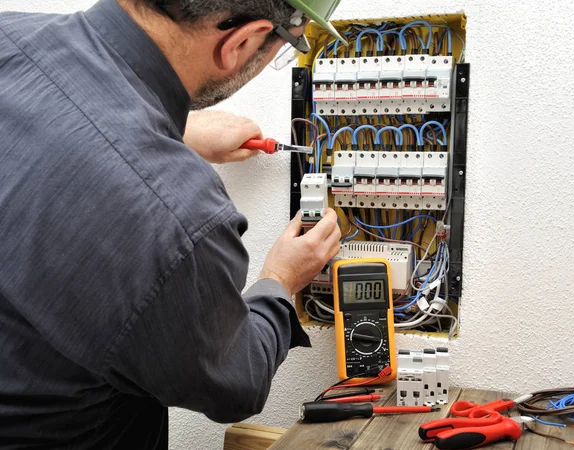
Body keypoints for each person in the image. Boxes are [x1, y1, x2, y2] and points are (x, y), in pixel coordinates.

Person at [0, 0, 345, 447]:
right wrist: (279, 280)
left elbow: (65, 120)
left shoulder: (10, 35)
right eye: (282, 50)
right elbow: (235, 384)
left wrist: (177, 130)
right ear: (240, 42)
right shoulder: (181, 220)